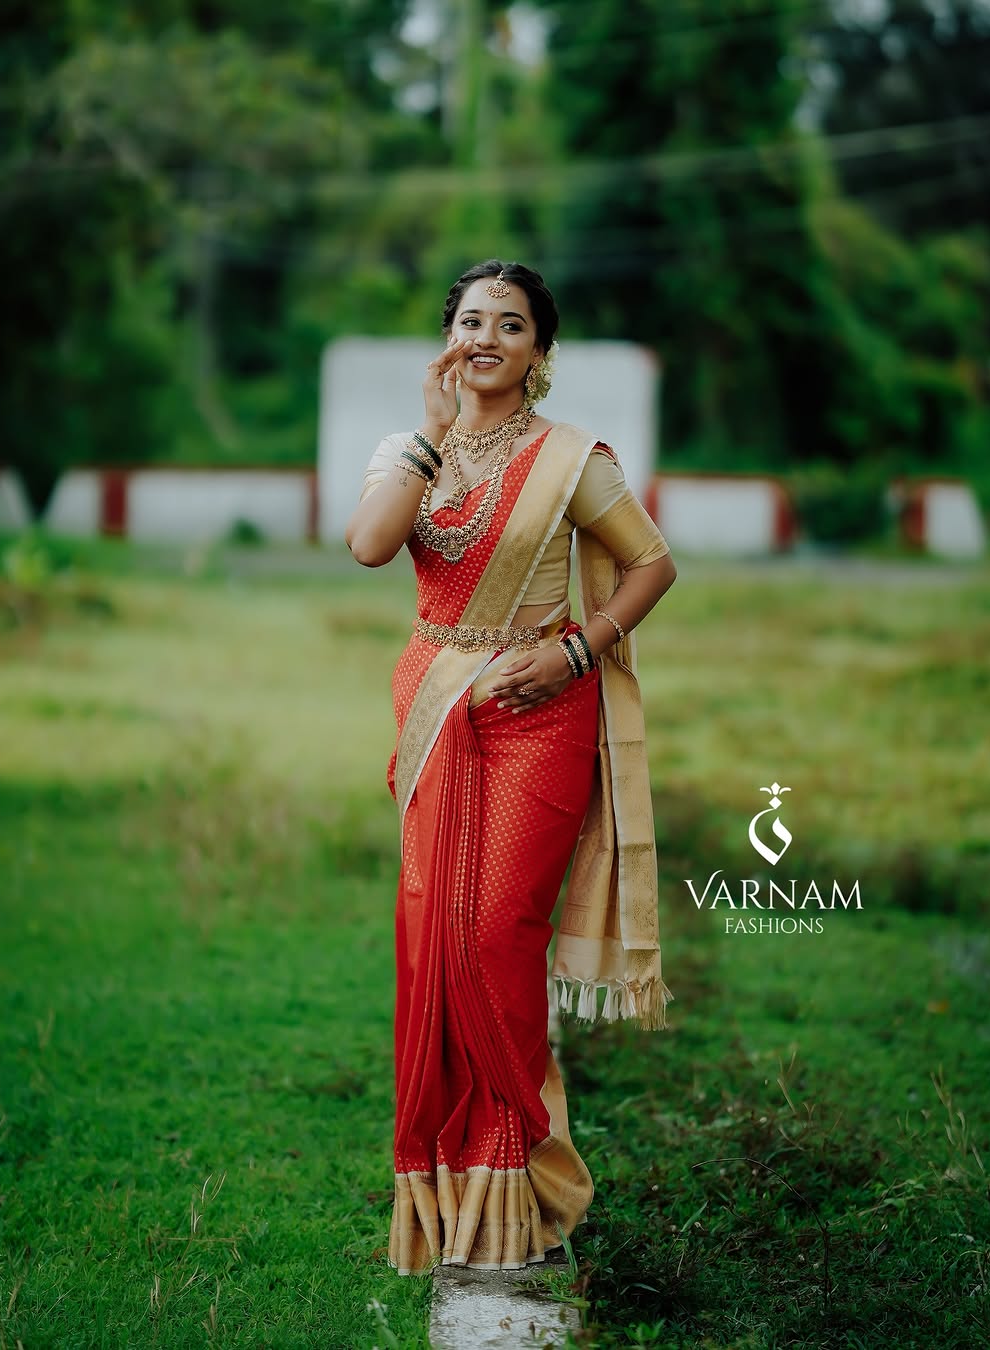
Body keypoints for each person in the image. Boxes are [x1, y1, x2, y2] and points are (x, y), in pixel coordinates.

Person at [345, 259, 677, 1275]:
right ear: (447, 339)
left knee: (493, 931)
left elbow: (653, 562)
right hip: (436, 709)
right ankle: (451, 1184)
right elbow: (369, 547)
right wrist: (436, 430)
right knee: (431, 939)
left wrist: (579, 648)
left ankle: (525, 1165)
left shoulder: (572, 460)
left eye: (512, 323)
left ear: (540, 351)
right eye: (471, 319)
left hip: (542, 709)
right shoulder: (408, 452)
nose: (488, 335)